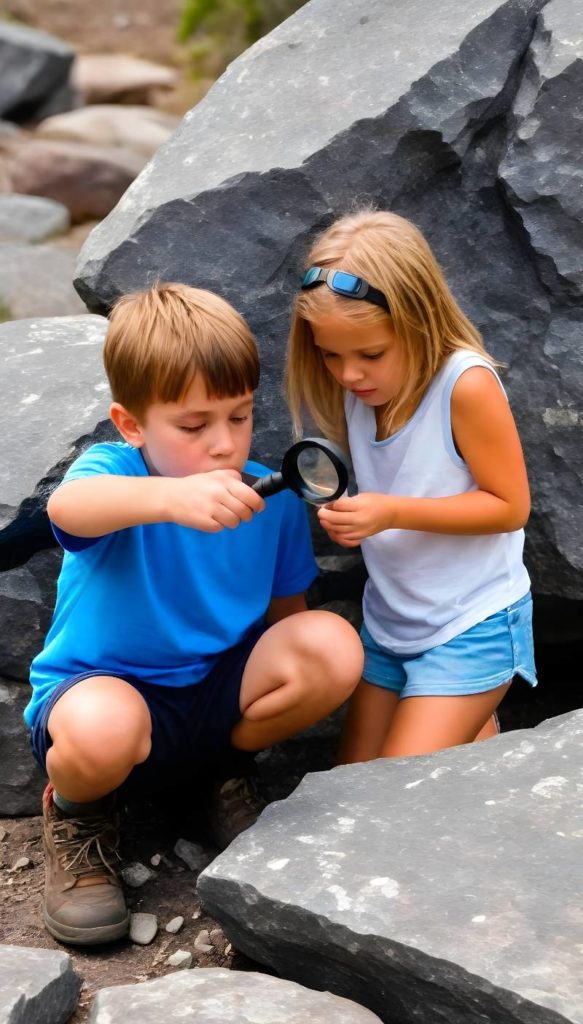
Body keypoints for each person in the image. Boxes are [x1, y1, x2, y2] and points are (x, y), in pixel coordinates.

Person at [26, 282, 363, 947]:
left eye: (238, 417)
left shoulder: (269, 498)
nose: (222, 445)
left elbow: (284, 619)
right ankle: (79, 813)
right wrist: (166, 499)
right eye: (193, 425)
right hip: (105, 697)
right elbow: (69, 509)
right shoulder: (115, 472)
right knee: (101, 730)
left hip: (211, 701)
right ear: (131, 424)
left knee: (330, 644)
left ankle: (218, 774)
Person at [285, 209, 537, 766]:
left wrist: (391, 512)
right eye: (330, 355)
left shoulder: (463, 386)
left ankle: (469, 710)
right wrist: (354, 514)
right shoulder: (360, 391)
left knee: (392, 797)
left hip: (472, 623)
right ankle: (473, 735)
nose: (350, 374)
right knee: (354, 783)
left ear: (419, 322)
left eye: (370, 354)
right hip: (392, 623)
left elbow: (510, 505)